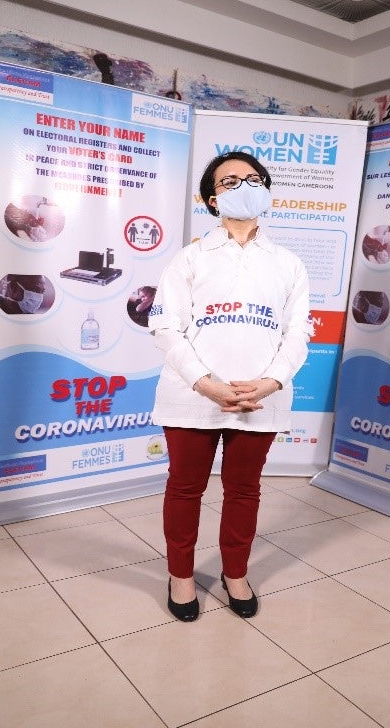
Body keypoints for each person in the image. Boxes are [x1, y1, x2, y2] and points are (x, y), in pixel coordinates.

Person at [148, 151, 313, 622]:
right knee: (185, 489)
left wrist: (271, 381)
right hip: (192, 397)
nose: (245, 186)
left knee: (244, 490)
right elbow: (165, 328)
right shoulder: (190, 258)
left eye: (253, 179)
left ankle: (234, 572)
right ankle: (181, 575)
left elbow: (298, 332)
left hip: (260, 400)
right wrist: (205, 384)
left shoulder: (288, 264)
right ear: (210, 198)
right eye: (231, 180)